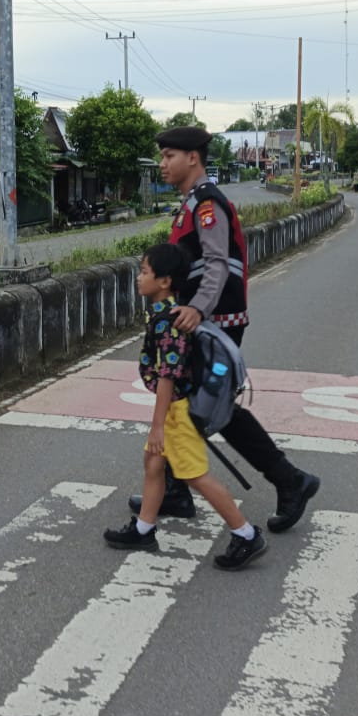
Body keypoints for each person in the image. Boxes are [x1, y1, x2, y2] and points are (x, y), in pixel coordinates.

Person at [128, 126, 320, 533]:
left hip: (216, 322)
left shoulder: (207, 205)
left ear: (192, 158)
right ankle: (177, 490)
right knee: (193, 406)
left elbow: (216, 262)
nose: (163, 164)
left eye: (169, 156)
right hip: (202, 320)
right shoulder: (191, 203)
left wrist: (197, 309)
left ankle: (290, 480)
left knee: (217, 410)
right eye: (162, 156)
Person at [104, 243, 266, 569]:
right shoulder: (168, 314)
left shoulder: (169, 322)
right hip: (176, 408)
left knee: (195, 476)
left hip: (177, 411)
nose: (139, 278)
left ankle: (246, 533)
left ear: (164, 281)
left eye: (145, 272)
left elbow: (168, 375)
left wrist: (158, 425)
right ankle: (144, 528)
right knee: (153, 463)